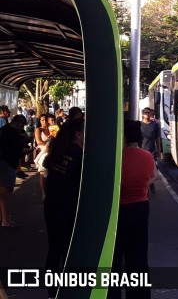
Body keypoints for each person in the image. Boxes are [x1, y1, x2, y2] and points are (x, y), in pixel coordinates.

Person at [108, 120, 157, 299]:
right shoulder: (147, 156)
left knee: (114, 257)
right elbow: (155, 176)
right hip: (140, 208)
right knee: (138, 255)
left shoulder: (115, 158)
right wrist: (143, 186)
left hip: (118, 210)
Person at [43, 118, 85, 298]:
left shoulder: (59, 150)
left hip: (52, 205)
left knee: (54, 249)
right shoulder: (80, 154)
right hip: (68, 206)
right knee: (69, 250)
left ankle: (52, 291)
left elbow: (46, 166)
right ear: (78, 134)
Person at [0, 114, 29, 227]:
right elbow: (15, 149)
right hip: (7, 163)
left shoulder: (3, 129)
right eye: (22, 125)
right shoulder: (12, 133)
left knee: (2, 192)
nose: (22, 128)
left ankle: (2, 217)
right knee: (5, 192)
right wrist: (25, 150)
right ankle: (6, 220)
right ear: (18, 123)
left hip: (3, 161)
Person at [34, 114, 52, 200]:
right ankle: (43, 192)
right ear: (40, 121)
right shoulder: (38, 129)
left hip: (52, 153)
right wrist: (48, 144)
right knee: (42, 174)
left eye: (46, 120)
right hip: (43, 153)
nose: (44, 122)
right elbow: (39, 141)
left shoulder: (52, 128)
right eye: (42, 120)